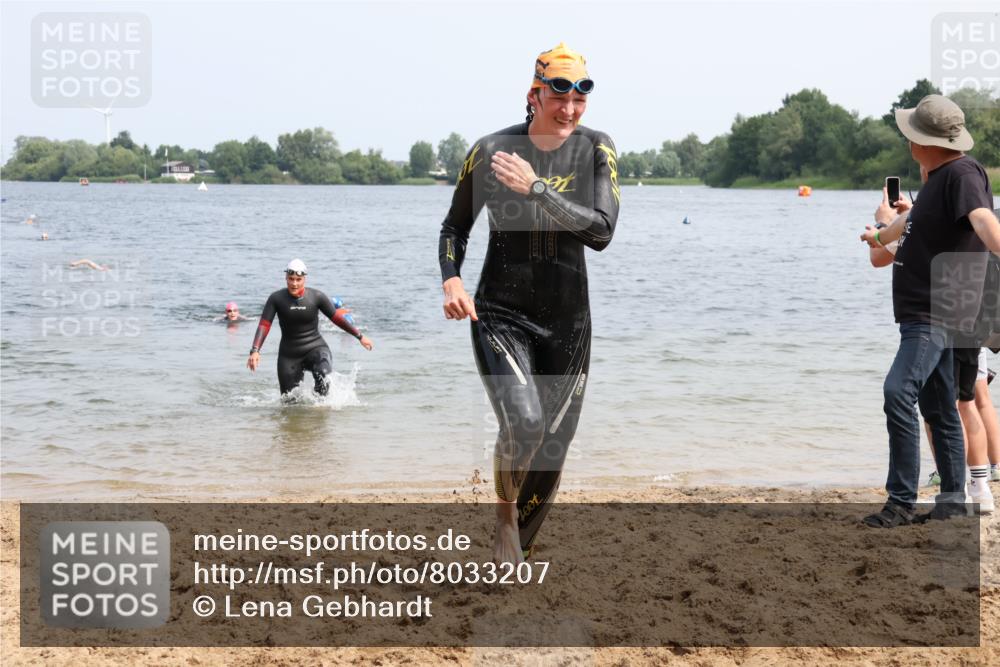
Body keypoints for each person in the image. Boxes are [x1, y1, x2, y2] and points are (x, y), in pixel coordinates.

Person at [438, 42, 620, 563]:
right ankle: (501, 523)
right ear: (534, 95)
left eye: (579, 99)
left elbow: (602, 231)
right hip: (501, 312)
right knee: (524, 422)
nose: (568, 110)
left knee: (550, 455)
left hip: (568, 323)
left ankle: (519, 541)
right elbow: (455, 227)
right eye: (558, 97)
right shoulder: (492, 148)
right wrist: (451, 279)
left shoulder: (596, 149)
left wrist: (538, 189)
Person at [860, 94, 1000, 526]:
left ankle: (900, 502)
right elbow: (912, 222)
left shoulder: (962, 172)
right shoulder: (940, 177)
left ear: (921, 142)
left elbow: (982, 219)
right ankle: (952, 502)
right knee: (938, 408)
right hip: (930, 312)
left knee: (897, 391)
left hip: (936, 312)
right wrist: (881, 236)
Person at [247, 259, 373, 396]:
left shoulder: (316, 296)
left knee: (323, 377)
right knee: (289, 403)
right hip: (289, 355)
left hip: (315, 348)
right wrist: (255, 350)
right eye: (291, 279)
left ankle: (319, 412)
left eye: (298, 279)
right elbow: (264, 325)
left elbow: (336, 318)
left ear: (304, 279)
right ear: (286, 278)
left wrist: (359, 336)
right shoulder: (276, 299)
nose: (294, 283)